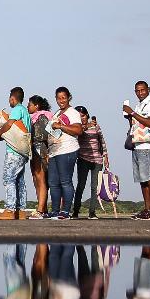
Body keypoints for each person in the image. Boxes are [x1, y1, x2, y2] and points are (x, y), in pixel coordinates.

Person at [123, 80, 150, 221]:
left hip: (147, 145)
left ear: (148, 89)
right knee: (142, 179)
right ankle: (147, 209)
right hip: (138, 144)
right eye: (137, 91)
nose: (140, 93)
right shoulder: (139, 105)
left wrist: (132, 112)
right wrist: (130, 116)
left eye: (142, 90)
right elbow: (138, 124)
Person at [0, 86, 31, 220]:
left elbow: (9, 124)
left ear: (12, 99)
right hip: (23, 152)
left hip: (14, 152)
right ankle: (21, 211)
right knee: (19, 180)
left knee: (9, 179)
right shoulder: (26, 112)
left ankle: (9, 210)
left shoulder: (16, 110)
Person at [47, 87, 84, 219]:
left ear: (69, 97)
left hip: (67, 149)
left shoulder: (73, 112)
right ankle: (55, 210)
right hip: (54, 151)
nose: (61, 100)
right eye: (58, 98)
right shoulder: (57, 113)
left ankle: (65, 211)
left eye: (63, 97)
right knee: (53, 182)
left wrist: (61, 126)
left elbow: (79, 130)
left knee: (65, 181)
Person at [72, 106, 108, 220]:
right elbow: (78, 134)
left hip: (97, 160)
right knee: (81, 186)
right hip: (83, 159)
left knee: (94, 187)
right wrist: (85, 126)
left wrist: (105, 156)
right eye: (79, 116)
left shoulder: (96, 126)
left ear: (87, 115)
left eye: (83, 115)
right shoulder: (77, 128)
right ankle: (76, 211)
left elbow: (102, 141)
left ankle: (92, 212)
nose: (81, 118)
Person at [27, 95, 53, 218]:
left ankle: (41, 210)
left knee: (41, 178)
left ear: (36, 106)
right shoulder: (32, 118)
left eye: (30, 105)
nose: (28, 107)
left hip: (40, 148)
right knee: (36, 179)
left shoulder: (43, 117)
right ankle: (43, 208)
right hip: (33, 149)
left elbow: (47, 135)